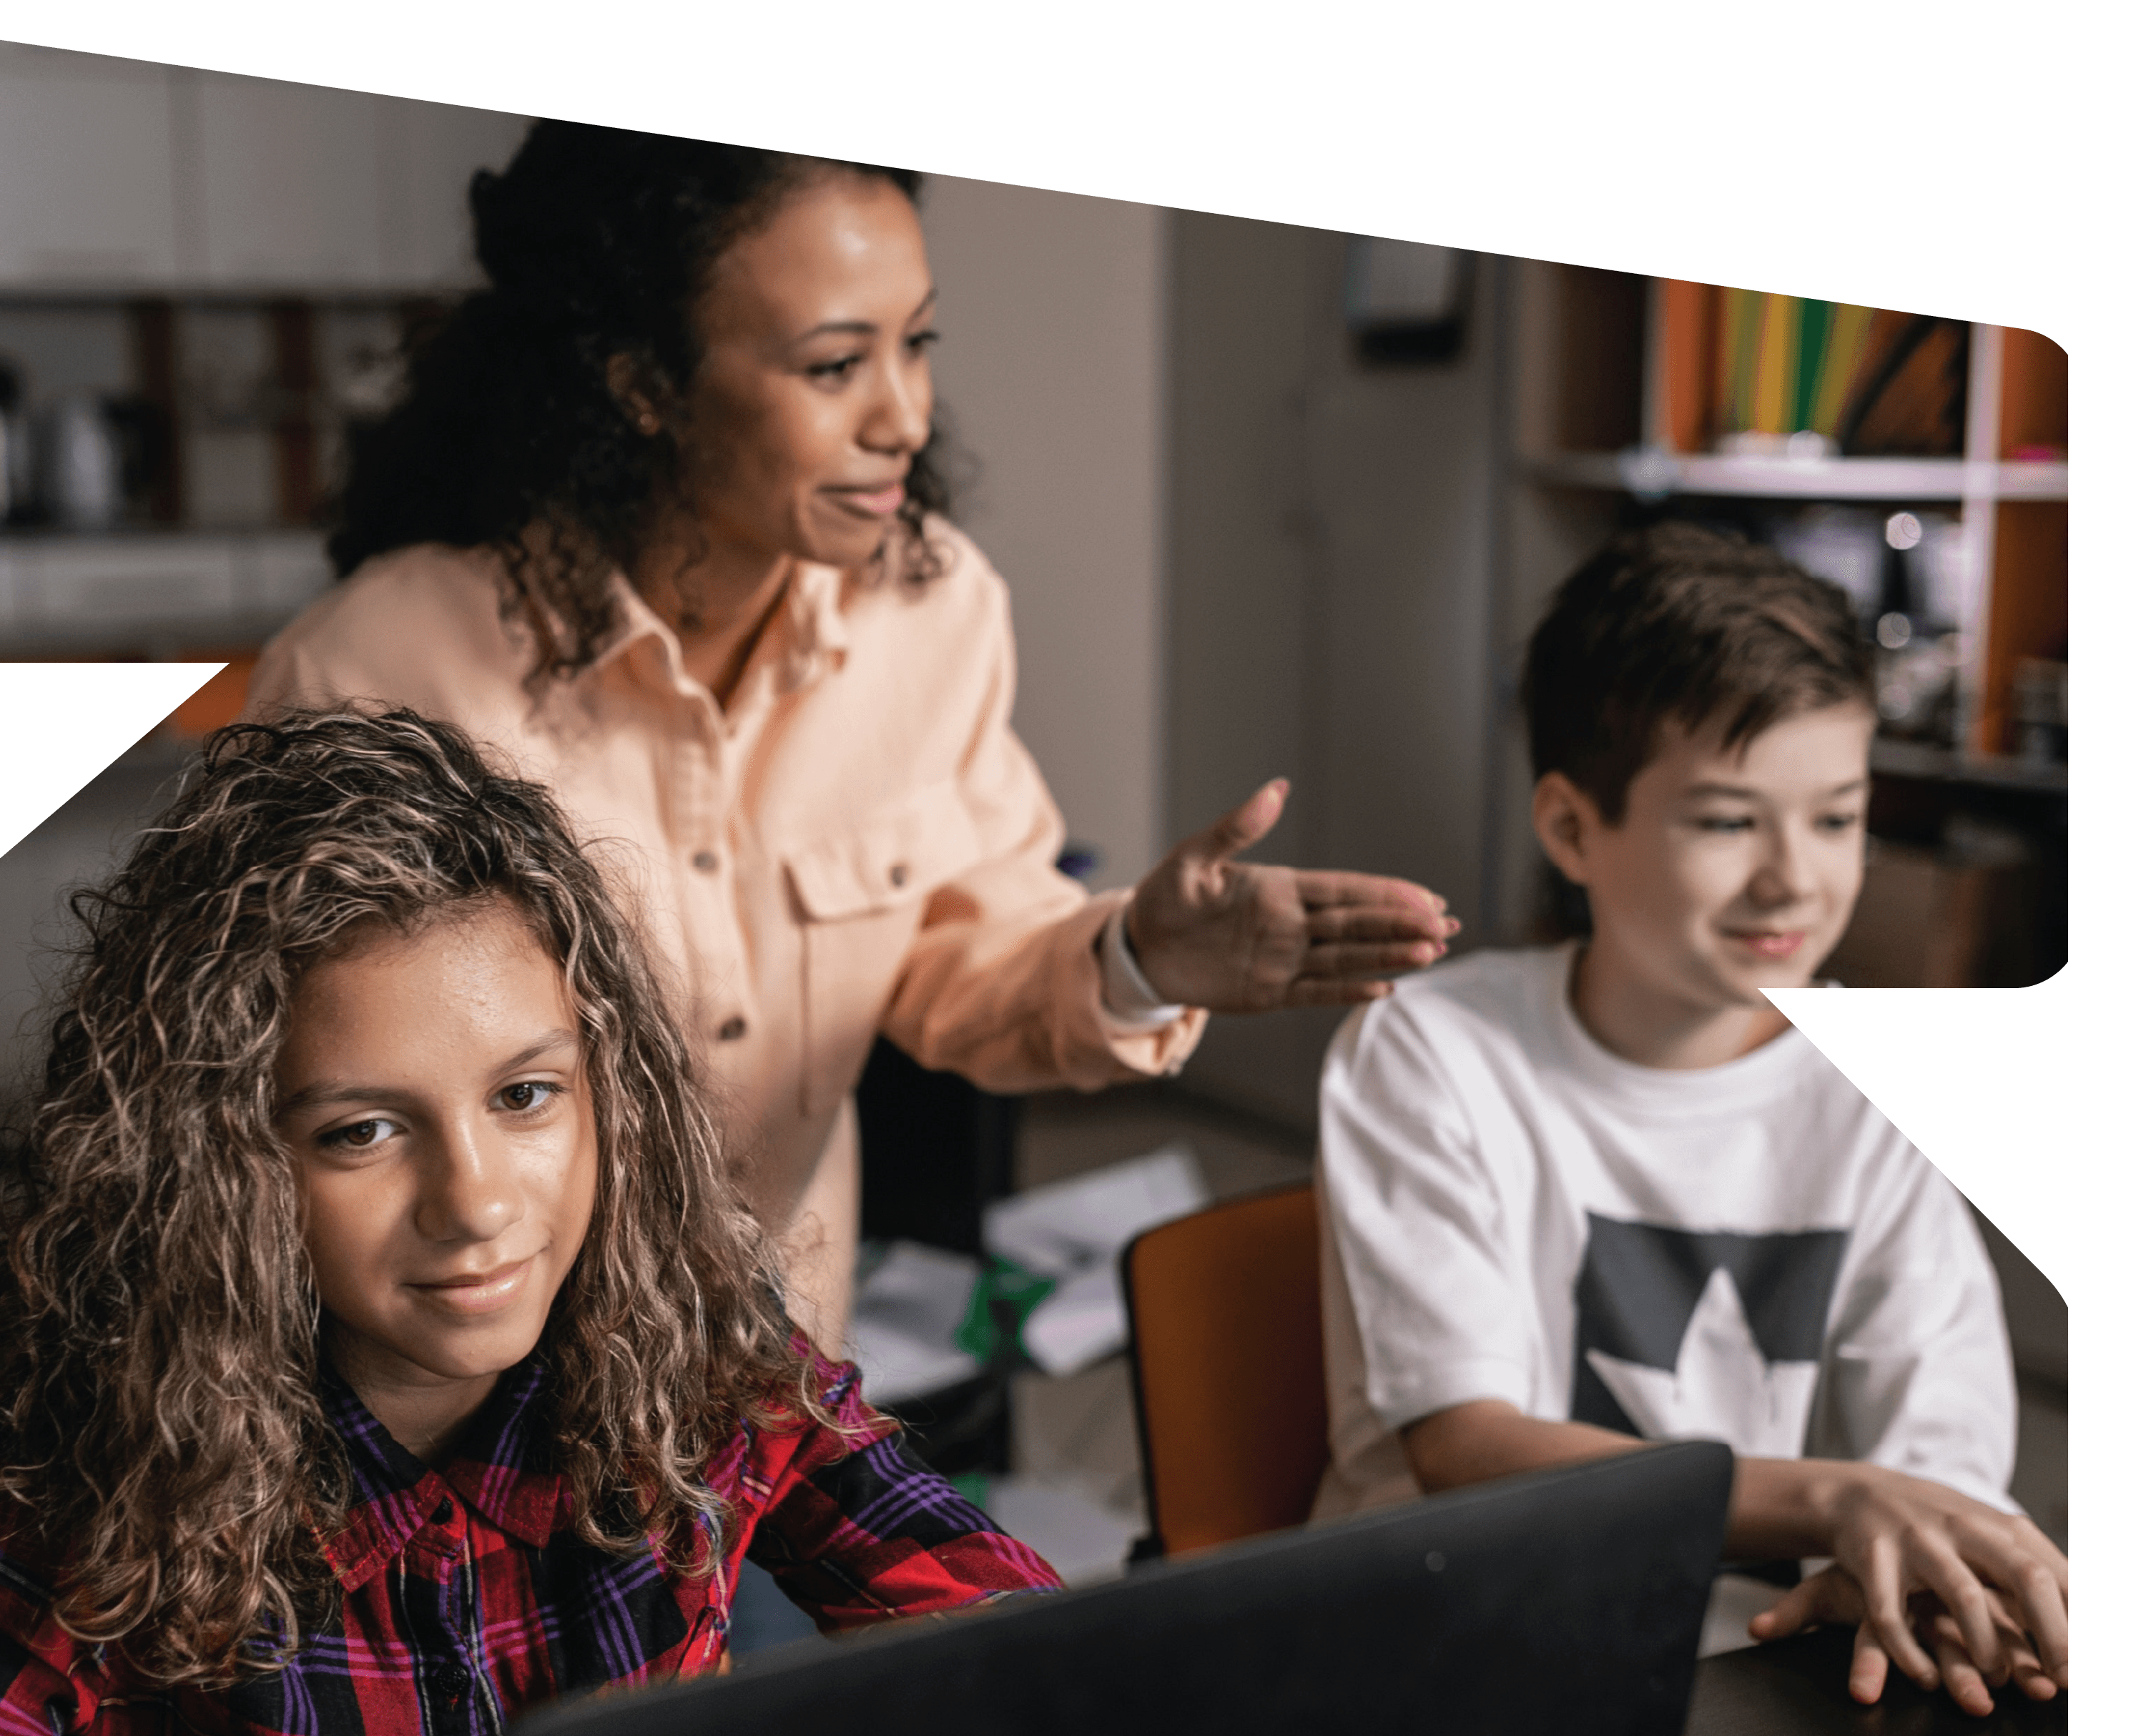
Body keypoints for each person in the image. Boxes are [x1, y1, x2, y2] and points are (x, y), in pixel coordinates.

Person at [0, 711, 1060, 1736]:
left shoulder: (691, 1337)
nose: (476, 1205)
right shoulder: (92, 1459)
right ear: (217, 1166)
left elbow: (1043, 1690)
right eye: (361, 1131)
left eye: (526, 1095)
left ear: (608, 1096)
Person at [247, 124, 1457, 1348]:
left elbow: (964, 964)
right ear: (642, 383)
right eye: (835, 366)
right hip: (471, 1397)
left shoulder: (932, 613)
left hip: (776, 1372)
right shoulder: (369, 671)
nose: (907, 416)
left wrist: (1142, 954)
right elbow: (295, 1119)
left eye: (917, 344)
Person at [1311, 525, 2067, 1716]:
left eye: (1835, 818)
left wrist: (1904, 1571)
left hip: (1752, 1668)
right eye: (1726, 822)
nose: (1793, 880)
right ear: (1569, 831)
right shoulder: (1430, 1048)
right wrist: (1833, 1503)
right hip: (1451, 1652)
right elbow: (1463, 1448)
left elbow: (1935, 1446)